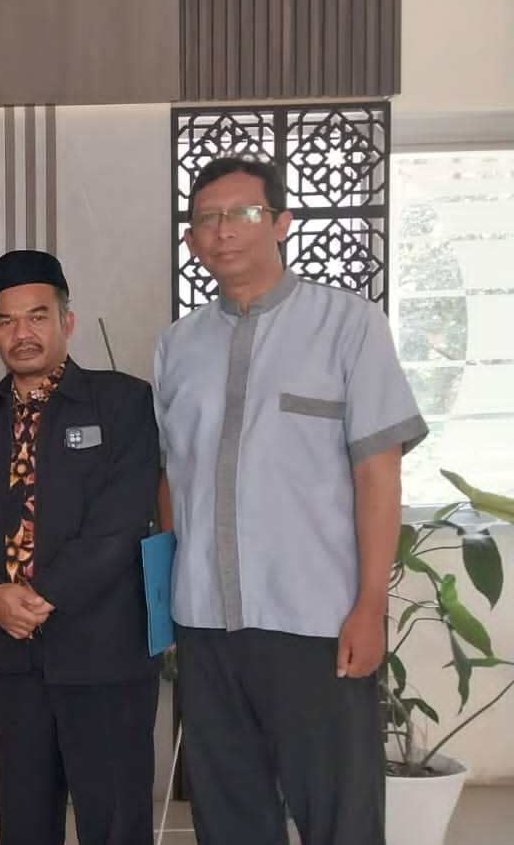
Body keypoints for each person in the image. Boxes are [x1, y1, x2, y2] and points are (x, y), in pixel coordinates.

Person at [155, 156, 427, 845]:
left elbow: (378, 476)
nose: (223, 231)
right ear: (191, 238)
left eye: (243, 213)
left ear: (281, 222)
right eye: (207, 219)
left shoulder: (349, 325)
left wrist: (370, 606)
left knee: (339, 815)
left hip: (316, 621)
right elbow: (172, 479)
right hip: (207, 624)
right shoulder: (178, 347)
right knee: (229, 815)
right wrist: (172, 603)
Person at [0, 249, 161, 845]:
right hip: (14, 650)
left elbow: (120, 521)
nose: (22, 333)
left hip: (103, 647)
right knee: (25, 818)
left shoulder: (123, 402)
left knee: (114, 820)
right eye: (7, 320)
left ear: (67, 321)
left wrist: (41, 595)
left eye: (37, 316)